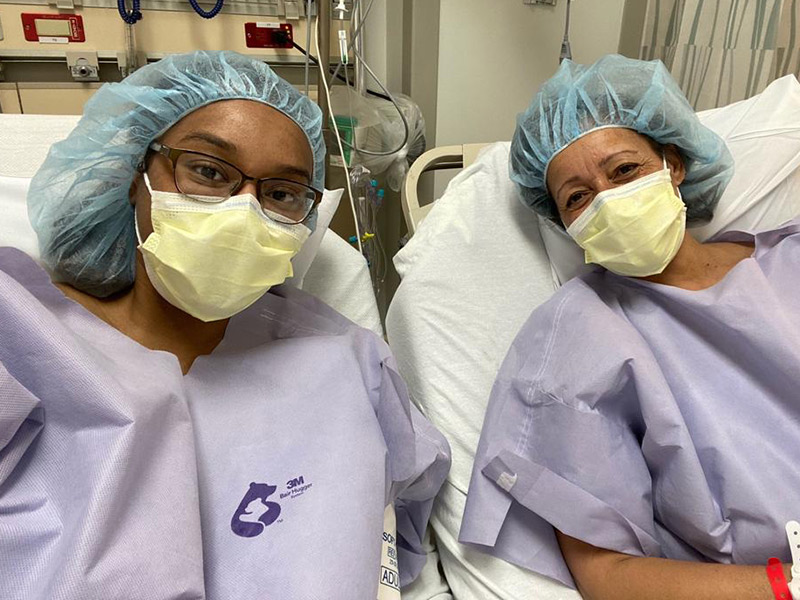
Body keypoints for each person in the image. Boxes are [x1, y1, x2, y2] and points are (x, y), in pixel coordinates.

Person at [0, 50, 449, 599]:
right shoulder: (21, 331)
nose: (243, 210)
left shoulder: (349, 363)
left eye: (281, 193)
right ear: (133, 175)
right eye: (208, 171)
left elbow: (397, 530)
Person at [459, 54, 800, 599]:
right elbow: (606, 571)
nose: (608, 200)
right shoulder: (577, 336)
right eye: (577, 197)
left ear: (674, 164)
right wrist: (787, 588)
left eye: (624, 170)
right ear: (565, 225)